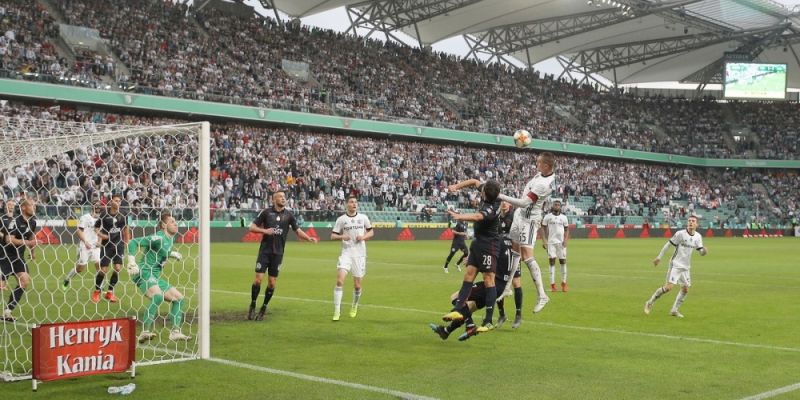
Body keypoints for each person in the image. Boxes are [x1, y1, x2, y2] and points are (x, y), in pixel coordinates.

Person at [428, 201, 521, 340]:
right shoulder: (509, 246)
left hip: (493, 286)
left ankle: (470, 325)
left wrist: (475, 259)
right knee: (469, 309)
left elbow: (488, 267)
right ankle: (446, 331)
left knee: (455, 298)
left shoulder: (495, 244)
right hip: (501, 286)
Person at [496, 152, 557, 314]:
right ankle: (508, 287)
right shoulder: (541, 175)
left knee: (527, 257)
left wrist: (500, 195)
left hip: (529, 221)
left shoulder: (544, 184)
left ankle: (542, 295)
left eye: (538, 162)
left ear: (546, 166)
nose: (536, 164)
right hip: (520, 217)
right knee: (515, 252)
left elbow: (524, 203)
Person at [441, 179, 502, 335]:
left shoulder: (492, 208)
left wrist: (458, 216)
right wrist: (456, 186)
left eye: (482, 190)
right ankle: (458, 308)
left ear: (485, 194)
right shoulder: (487, 194)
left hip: (489, 246)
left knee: (489, 279)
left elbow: (477, 217)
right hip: (478, 243)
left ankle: (488, 320)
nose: (480, 190)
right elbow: (474, 181)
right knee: (469, 274)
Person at [248, 190, 318, 321]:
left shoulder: (289, 215)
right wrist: (265, 231)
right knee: (258, 279)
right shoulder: (266, 212)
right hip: (264, 252)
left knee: (272, 283)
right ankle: (252, 304)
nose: (283, 199)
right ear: (274, 200)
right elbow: (251, 227)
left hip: (278, 254)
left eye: (284, 197)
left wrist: (308, 238)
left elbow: (297, 231)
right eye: (280, 197)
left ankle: (263, 307)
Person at [126, 212, 191, 342]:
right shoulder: (158, 238)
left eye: (175, 221)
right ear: (163, 225)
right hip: (144, 272)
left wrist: (171, 254)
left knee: (179, 299)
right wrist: (131, 261)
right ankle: (144, 331)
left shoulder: (170, 239)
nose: (175, 223)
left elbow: (162, 251)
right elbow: (133, 242)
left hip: (154, 276)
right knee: (158, 296)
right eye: (172, 221)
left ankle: (175, 332)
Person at [644, 215, 707, 318]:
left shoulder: (698, 236)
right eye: (689, 220)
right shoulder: (680, 234)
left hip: (686, 267)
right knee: (668, 287)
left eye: (693, 221)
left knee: (685, 289)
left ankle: (674, 310)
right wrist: (659, 257)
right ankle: (650, 302)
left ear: (696, 224)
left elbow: (700, 251)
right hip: (676, 265)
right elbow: (668, 244)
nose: (691, 222)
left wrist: (704, 251)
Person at [330, 196, 373, 321]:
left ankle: (354, 305)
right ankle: (337, 311)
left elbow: (371, 232)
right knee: (339, 281)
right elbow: (333, 236)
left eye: (355, 202)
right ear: (346, 204)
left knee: (357, 285)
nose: (354, 204)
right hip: (346, 253)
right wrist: (342, 236)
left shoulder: (363, 218)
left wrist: (363, 237)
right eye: (351, 202)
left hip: (360, 255)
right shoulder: (341, 219)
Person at [1, 199, 38, 322]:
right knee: (1, 286)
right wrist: (27, 242)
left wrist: (32, 252)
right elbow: (9, 240)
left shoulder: (33, 222)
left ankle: (7, 312)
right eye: (32, 205)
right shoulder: (14, 222)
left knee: (25, 281)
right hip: (5, 257)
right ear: (23, 208)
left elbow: (32, 237)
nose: (34, 207)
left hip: (18, 258)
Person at [93, 195, 129, 303]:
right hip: (106, 245)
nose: (118, 203)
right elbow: (96, 227)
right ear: (111, 201)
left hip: (119, 245)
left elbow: (126, 228)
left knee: (117, 268)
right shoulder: (104, 214)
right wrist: (101, 235)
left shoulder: (123, 215)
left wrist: (127, 242)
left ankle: (109, 292)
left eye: (119, 201)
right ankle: (97, 291)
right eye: (116, 201)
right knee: (103, 270)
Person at [62, 203, 102, 290]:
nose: (98, 207)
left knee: (100, 267)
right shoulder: (85, 217)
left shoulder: (102, 219)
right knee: (80, 268)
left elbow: (101, 232)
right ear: (92, 207)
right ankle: (67, 279)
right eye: (96, 206)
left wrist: (99, 241)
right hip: (84, 246)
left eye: (99, 206)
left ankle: (100, 287)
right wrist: (86, 242)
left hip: (96, 247)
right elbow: (79, 231)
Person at [541, 200, 569, 292]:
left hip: (561, 243)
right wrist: (544, 241)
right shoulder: (547, 217)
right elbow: (543, 228)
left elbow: (566, 229)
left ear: (560, 207)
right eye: (555, 205)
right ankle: (552, 284)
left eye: (558, 205)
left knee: (563, 261)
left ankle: (564, 283)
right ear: (552, 206)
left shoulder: (564, 217)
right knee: (552, 262)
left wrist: (565, 240)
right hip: (551, 243)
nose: (557, 206)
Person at [0, 199, 17, 293]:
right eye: (9, 204)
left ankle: (3, 284)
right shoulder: (2, 218)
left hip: (11, 246)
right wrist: (2, 235)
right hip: (1, 244)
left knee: (8, 264)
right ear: (5, 206)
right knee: (4, 263)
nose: (10, 206)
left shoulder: (16, 218)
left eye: (12, 205)